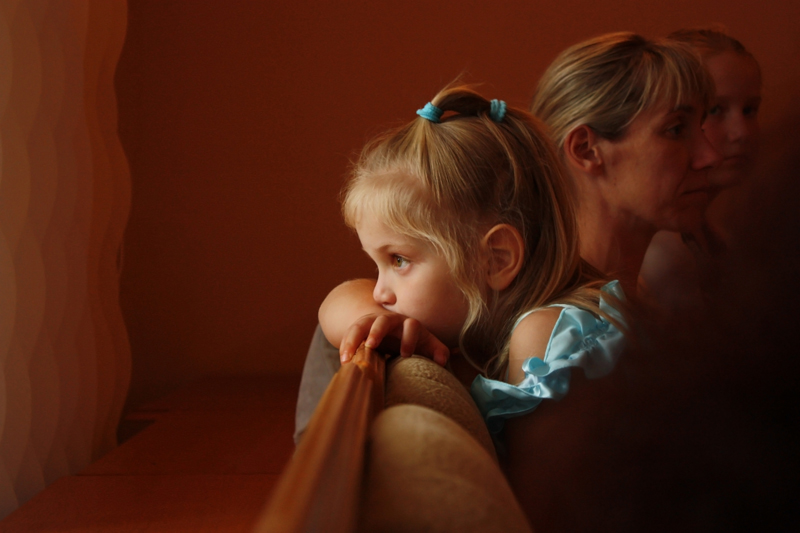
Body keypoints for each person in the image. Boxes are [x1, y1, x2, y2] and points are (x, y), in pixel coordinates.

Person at [317, 84, 627, 441]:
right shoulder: (477, 329)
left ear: (495, 259)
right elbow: (334, 304)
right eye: (377, 265)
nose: (380, 293)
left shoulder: (547, 336)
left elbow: (537, 480)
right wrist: (377, 323)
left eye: (398, 260)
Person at [530, 32, 722, 300]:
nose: (710, 156)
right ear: (585, 150)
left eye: (700, 127)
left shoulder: (643, 300)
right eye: (676, 129)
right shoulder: (562, 322)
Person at [640, 28, 762, 313]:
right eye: (715, 110)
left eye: (749, 110)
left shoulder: (719, 237)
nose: (741, 133)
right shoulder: (661, 253)